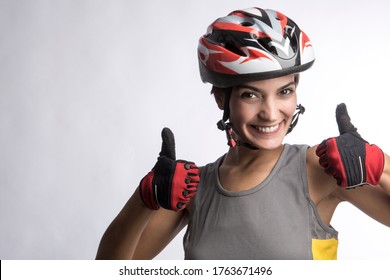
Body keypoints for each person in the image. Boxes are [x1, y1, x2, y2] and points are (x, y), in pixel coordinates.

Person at [95, 7, 390, 260]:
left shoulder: (319, 169)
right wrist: (144, 199)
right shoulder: (194, 189)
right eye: (251, 95)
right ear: (222, 99)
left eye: (285, 91)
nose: (271, 113)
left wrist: (379, 165)